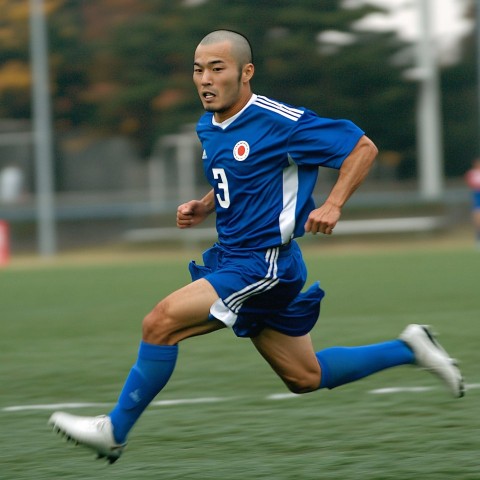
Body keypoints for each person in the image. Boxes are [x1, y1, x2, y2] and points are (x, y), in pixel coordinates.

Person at [49, 30, 464, 464]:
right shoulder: (208, 123)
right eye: (198, 69)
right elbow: (239, 171)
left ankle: (114, 429)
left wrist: (334, 204)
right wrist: (206, 204)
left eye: (217, 68)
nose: (205, 79)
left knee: (160, 322)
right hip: (234, 257)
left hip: (264, 265)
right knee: (304, 376)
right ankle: (410, 347)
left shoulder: (280, 122)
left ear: (246, 73)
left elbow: (361, 148)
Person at [465, 158, 480, 248]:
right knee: (477, 221)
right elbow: (471, 184)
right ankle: (478, 239)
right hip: (477, 198)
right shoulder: (472, 173)